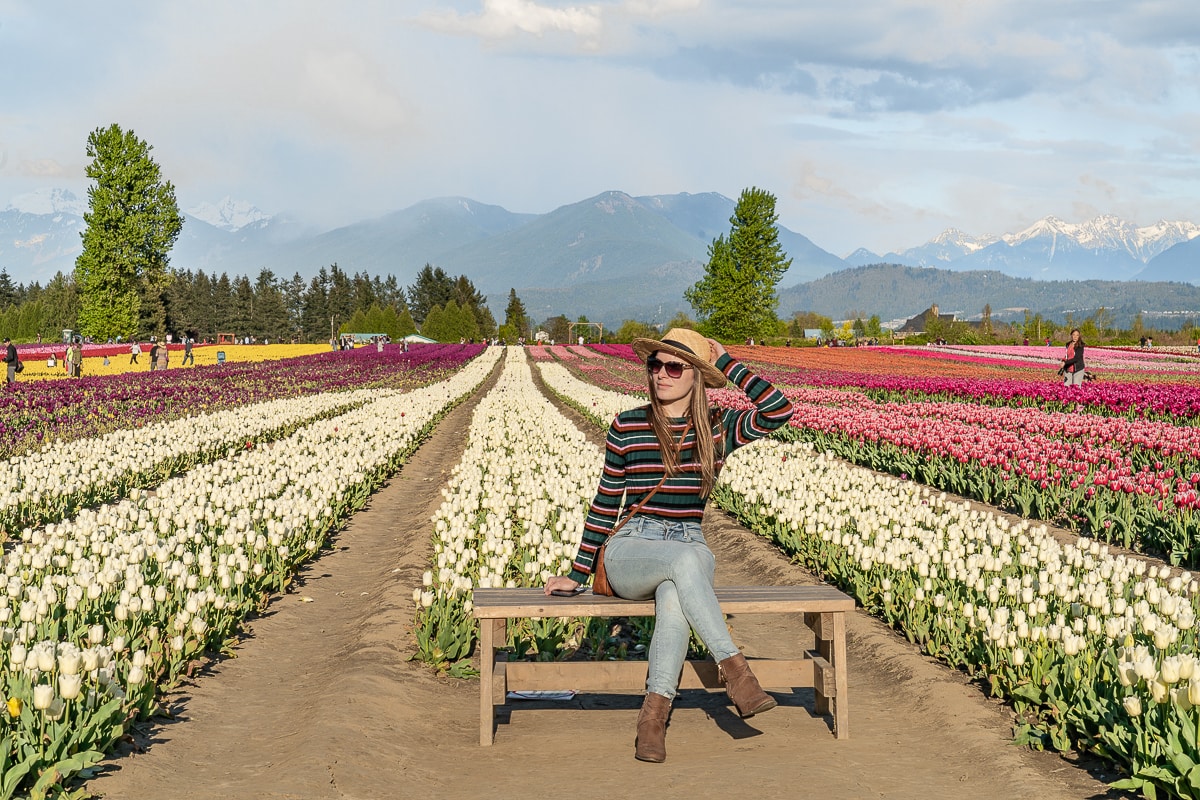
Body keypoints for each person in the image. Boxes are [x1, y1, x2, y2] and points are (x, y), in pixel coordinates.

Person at [544, 328, 794, 763]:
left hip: (688, 543)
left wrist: (728, 363)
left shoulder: (719, 429)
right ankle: (737, 672)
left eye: (674, 366)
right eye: (654, 365)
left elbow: (778, 410)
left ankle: (652, 720)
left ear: (696, 375)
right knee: (683, 564)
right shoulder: (627, 425)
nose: (661, 374)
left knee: (677, 596)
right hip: (632, 549)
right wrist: (579, 572)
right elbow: (606, 503)